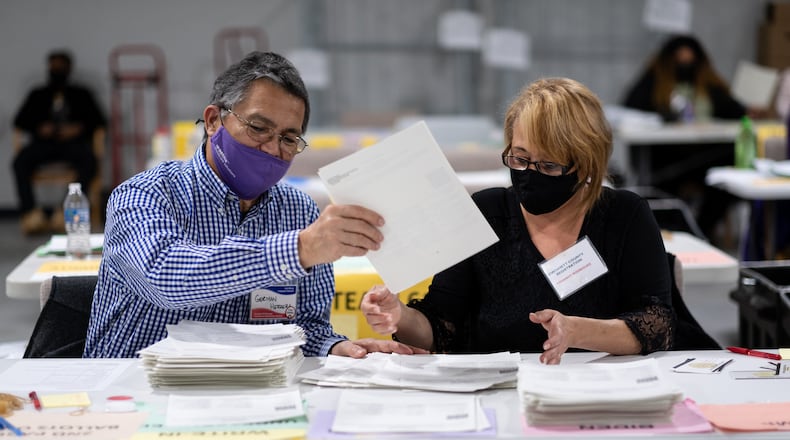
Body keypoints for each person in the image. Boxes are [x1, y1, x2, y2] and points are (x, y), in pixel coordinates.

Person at [84, 51, 425, 359]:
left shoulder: (299, 213)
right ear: (215, 120)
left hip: (245, 394)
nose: (272, 149)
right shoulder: (145, 194)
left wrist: (335, 347)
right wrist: (299, 249)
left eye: (289, 138)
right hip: (131, 390)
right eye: (259, 128)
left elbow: (303, 327)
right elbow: (166, 279)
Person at [361, 77, 675, 365]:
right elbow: (442, 326)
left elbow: (658, 325)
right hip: (495, 394)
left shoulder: (624, 215)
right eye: (519, 158)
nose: (528, 174)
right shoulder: (485, 213)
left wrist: (578, 332)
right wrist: (399, 316)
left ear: (586, 164)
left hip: (604, 393)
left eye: (549, 165)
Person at [622, 34, 763, 243]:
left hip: (704, 158)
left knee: (724, 178)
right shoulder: (654, 82)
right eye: (680, 61)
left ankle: (700, 233)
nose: (685, 66)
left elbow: (732, 108)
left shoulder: (707, 83)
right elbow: (632, 108)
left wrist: (747, 111)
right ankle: (663, 234)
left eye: (690, 62)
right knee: (662, 188)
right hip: (666, 160)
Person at [12, 50, 105, 235]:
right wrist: (39, 127)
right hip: (44, 144)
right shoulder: (38, 94)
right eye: (53, 67)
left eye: (61, 67)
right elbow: (19, 121)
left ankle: (65, 212)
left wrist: (77, 128)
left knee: (90, 161)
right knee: (19, 161)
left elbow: (99, 120)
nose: (57, 71)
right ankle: (31, 214)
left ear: (69, 68)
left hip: (73, 144)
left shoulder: (82, 94)